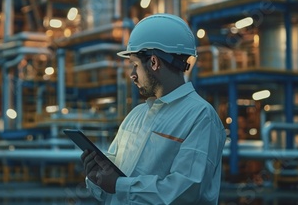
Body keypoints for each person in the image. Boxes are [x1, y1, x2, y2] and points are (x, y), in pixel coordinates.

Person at [81, 13, 226, 204]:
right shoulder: (136, 116)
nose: (132, 75)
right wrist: (97, 178)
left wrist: (119, 185)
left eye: (134, 64)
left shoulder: (200, 116)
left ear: (154, 62)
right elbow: (114, 188)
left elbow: (186, 191)